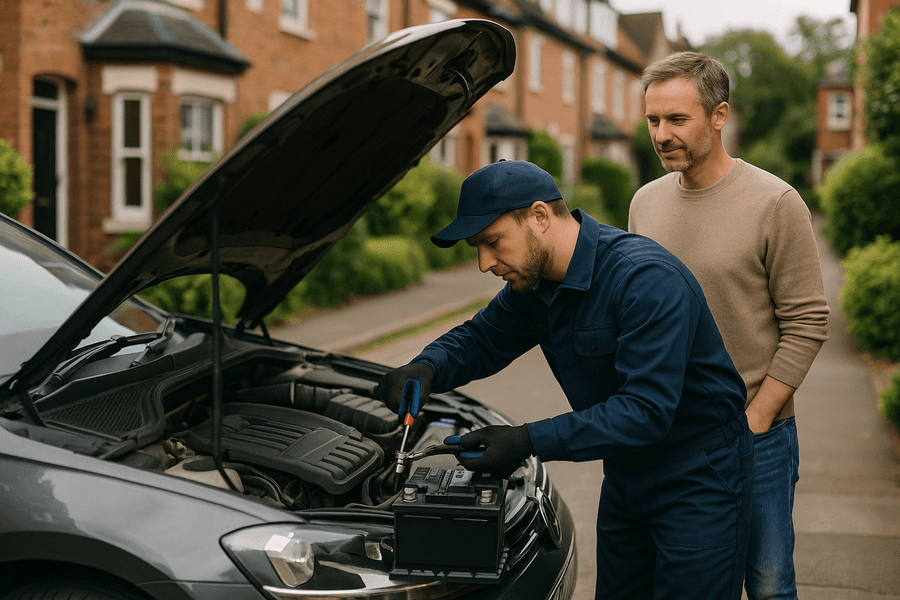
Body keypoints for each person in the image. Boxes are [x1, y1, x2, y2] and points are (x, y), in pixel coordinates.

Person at [376, 159, 754, 599]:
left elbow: (646, 411)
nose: (483, 263)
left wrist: (527, 441)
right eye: (476, 247)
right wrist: (427, 367)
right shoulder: (534, 286)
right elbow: (482, 338)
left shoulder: (643, 280)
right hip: (627, 474)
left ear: (539, 217)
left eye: (492, 242)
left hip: (698, 477)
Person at [628, 51, 829, 600]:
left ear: (719, 116)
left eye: (677, 119)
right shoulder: (644, 203)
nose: (662, 134)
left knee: (766, 582)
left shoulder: (775, 202)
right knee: (686, 584)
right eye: (653, 120)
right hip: (670, 434)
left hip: (755, 434)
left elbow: (808, 321)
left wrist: (756, 420)